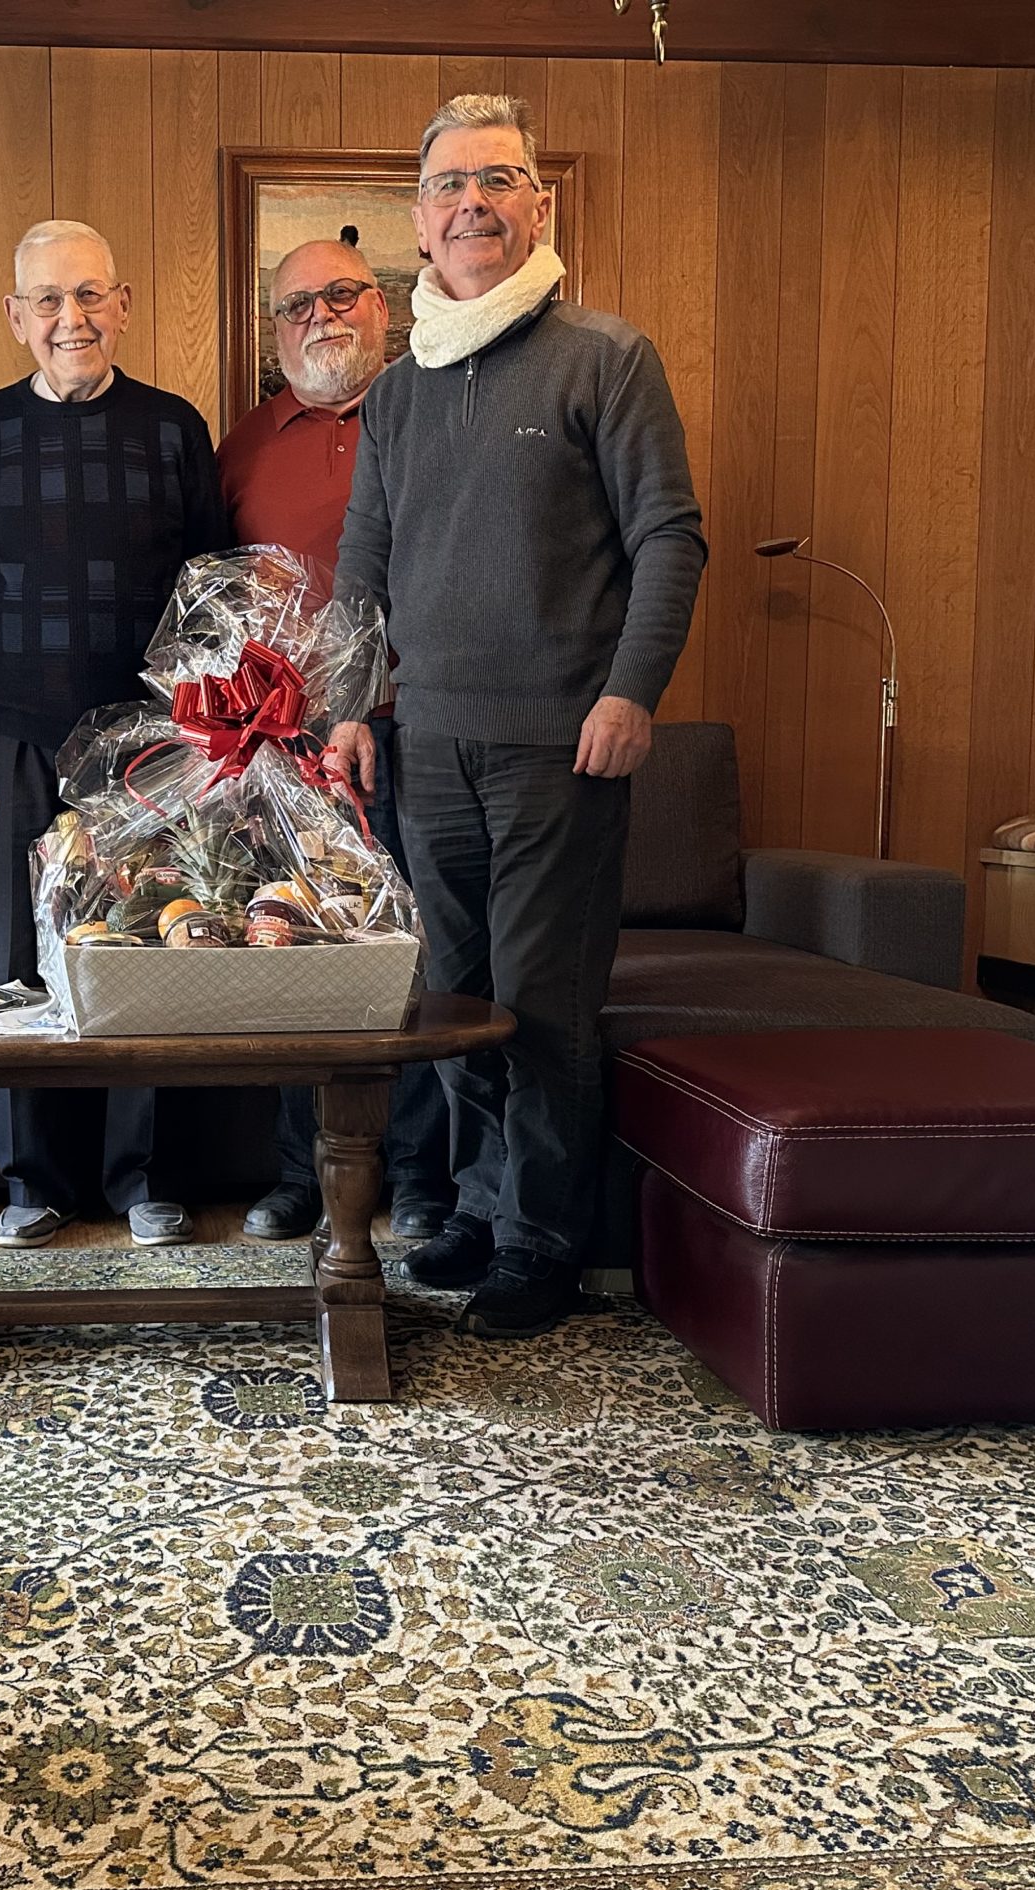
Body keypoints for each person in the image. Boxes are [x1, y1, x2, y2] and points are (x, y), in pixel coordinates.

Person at [331, 95, 707, 1338]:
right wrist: (350, 706)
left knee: (543, 1006)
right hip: (427, 748)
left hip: (562, 744)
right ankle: (482, 1210)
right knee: (457, 998)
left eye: (497, 180)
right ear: (418, 223)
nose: (472, 204)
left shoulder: (606, 356)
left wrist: (631, 691)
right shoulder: (395, 394)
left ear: (538, 208)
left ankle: (542, 1239)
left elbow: (669, 536)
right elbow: (362, 568)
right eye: (449, 185)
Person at [0, 219, 231, 1250]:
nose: (71, 319)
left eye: (90, 295)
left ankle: (146, 1178)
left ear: (123, 306)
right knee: (23, 960)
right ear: (16, 316)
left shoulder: (173, 429)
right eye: (48, 300)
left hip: (151, 746)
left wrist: (205, 736)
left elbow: (209, 596)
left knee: (149, 942)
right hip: (11, 740)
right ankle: (33, 1182)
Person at [218, 237, 452, 1247]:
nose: (321, 316)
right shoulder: (244, 444)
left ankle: (424, 1178)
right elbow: (212, 594)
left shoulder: (436, 408)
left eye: (343, 295)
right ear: (274, 329)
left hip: (420, 733)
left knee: (416, 958)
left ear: (384, 307)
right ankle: (300, 1174)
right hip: (286, 749)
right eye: (297, 304)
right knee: (292, 955)